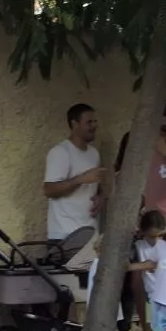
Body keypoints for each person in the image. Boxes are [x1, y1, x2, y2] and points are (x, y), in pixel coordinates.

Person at [43, 103, 104, 241]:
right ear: (74, 124)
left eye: (95, 121)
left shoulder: (94, 153)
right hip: (65, 234)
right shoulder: (60, 152)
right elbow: (49, 190)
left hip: (90, 231)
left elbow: (94, 186)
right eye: (89, 122)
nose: (94, 126)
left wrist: (101, 197)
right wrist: (80, 179)